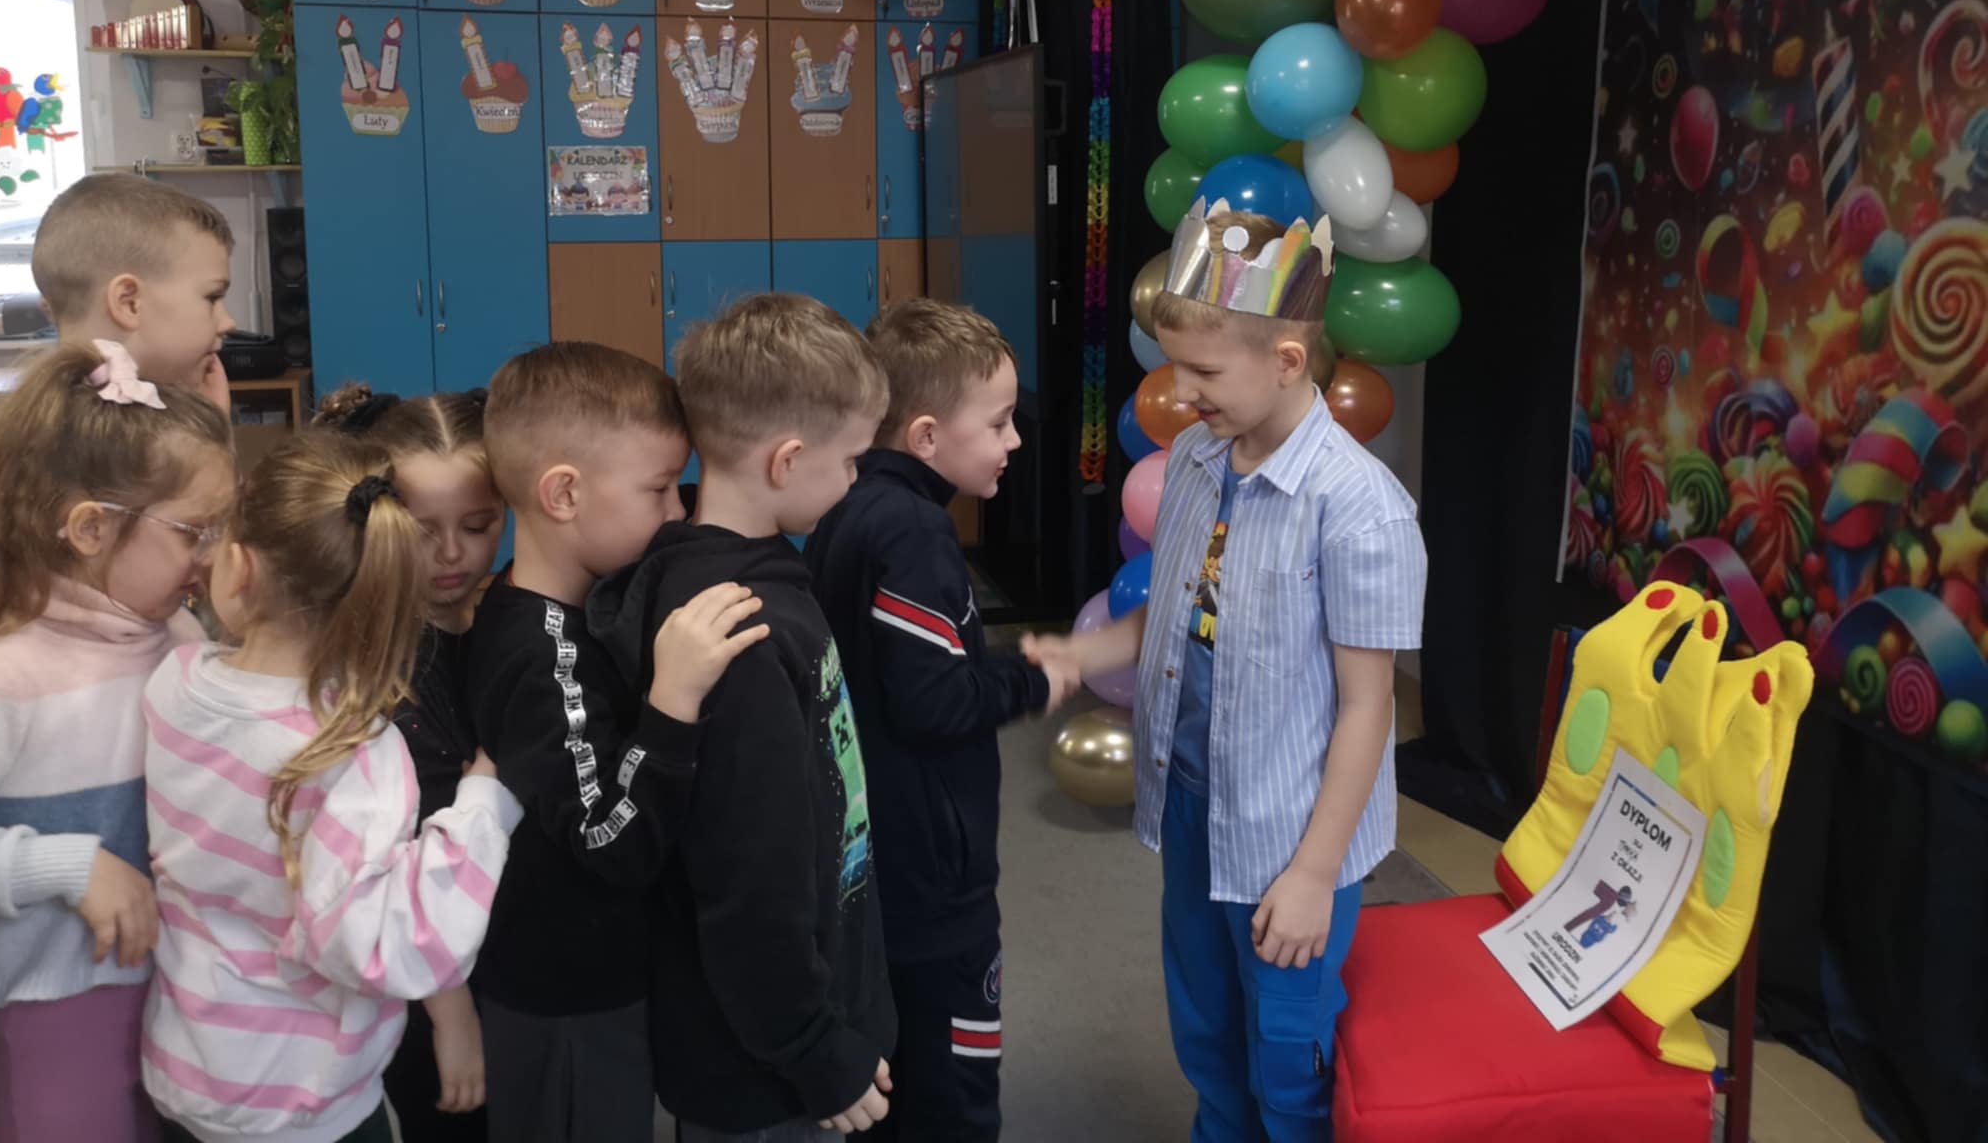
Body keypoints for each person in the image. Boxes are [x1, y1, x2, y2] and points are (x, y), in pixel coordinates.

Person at [1033, 202, 1426, 1143]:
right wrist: (1085, 653)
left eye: (1205, 373)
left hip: (1290, 832)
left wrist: (1314, 874)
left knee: (1287, 1056)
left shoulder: (1360, 508)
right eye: (1177, 366)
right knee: (1205, 1028)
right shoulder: (1198, 463)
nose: (1183, 391)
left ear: (1287, 362)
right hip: (1193, 802)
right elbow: (1176, 616)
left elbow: (1367, 708)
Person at [142, 430, 522, 1143]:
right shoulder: (352, 751)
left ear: (240, 565)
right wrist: (483, 804)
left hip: (185, 1065)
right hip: (302, 1099)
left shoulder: (174, 683)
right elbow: (386, 944)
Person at [591, 293, 897, 1141]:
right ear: (788, 460)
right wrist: (814, 1047)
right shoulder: (744, 635)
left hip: (780, 1028)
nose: (854, 481)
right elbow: (748, 882)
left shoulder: (750, 585)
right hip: (765, 1073)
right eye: (851, 461)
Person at [462, 342, 768, 1143]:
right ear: (564, 494)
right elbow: (610, 839)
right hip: (563, 998)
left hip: (606, 973)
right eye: (658, 489)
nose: (677, 513)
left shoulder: (578, 607)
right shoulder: (541, 655)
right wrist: (673, 701)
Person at [0, 340, 237, 1143]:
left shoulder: (176, 636)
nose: (214, 557)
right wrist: (67, 866)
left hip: (179, 989)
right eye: (195, 531)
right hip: (52, 1011)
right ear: (90, 528)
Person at [803, 299, 1080, 1142]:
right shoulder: (916, 531)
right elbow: (935, 703)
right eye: (998, 423)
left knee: (893, 1077)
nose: (1014, 440)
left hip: (875, 855)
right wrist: (1033, 681)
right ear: (925, 437)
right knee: (953, 1092)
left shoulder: (847, 506)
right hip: (931, 881)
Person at [313, 385, 503, 1140]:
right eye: (422, 532)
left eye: (479, 526)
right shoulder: (368, 667)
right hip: (426, 978)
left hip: (514, 961)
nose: (452, 554)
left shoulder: (508, 618)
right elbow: (384, 864)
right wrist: (450, 1011)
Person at [31, 173, 238, 409]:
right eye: (212, 297)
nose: (228, 323)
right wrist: (212, 428)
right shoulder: (114, 432)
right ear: (128, 303)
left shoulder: (35, 415)